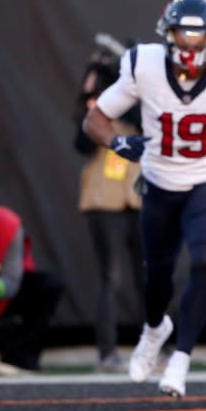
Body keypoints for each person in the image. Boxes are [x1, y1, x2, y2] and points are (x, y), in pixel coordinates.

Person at [83, 0, 206, 397]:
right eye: (183, 37)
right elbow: (96, 118)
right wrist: (117, 144)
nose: (190, 47)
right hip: (158, 183)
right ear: (167, 36)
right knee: (156, 277)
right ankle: (155, 329)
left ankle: (180, 359)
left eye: (198, 38)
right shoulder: (144, 64)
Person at [73, 33, 144, 373]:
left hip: (137, 198)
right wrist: (91, 94)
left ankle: (153, 348)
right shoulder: (96, 104)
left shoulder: (138, 96)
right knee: (111, 277)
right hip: (104, 199)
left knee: (147, 275)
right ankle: (107, 353)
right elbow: (82, 145)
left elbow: (143, 120)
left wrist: (125, 86)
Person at [0, 204, 64, 375]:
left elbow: (11, 282)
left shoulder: (7, 223)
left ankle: (20, 357)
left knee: (49, 284)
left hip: (1, 301)